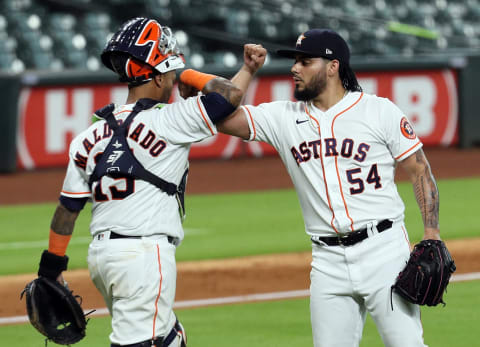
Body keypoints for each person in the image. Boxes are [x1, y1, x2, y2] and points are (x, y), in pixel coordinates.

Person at [35, 17, 265, 347]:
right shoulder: (170, 120)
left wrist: (50, 268)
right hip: (143, 254)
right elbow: (228, 96)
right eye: (170, 75)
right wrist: (186, 73)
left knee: (169, 336)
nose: (174, 81)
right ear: (158, 77)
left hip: (102, 258)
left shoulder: (88, 136)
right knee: (144, 342)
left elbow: (68, 208)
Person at [216, 29, 441, 346]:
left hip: (385, 252)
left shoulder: (379, 111)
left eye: (305, 61)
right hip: (327, 262)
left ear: (333, 66)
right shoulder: (283, 117)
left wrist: (432, 233)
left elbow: (420, 171)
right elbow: (219, 116)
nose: (295, 68)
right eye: (295, 61)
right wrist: (249, 70)